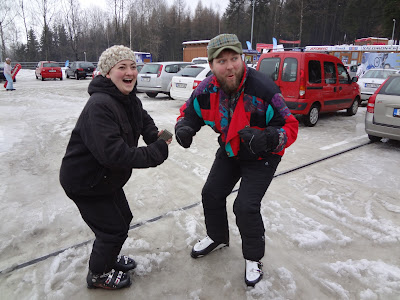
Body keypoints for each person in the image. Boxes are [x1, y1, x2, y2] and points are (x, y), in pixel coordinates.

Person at [175, 34, 298, 287]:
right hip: (231, 149)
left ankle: (254, 257)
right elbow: (188, 114)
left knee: (244, 206)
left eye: (234, 58)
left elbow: (290, 127)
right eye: (222, 61)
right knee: (211, 193)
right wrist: (184, 128)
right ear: (211, 65)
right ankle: (217, 236)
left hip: (263, 154)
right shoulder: (205, 89)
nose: (230, 66)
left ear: (242, 59)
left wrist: (268, 137)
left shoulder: (263, 88)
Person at [59, 45, 172, 290]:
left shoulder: (127, 98)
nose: (129, 72)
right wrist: (155, 152)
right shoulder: (100, 105)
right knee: (111, 230)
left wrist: (156, 135)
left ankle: (108, 259)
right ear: (107, 73)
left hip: (105, 179)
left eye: (133, 66)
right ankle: (98, 274)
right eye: (122, 67)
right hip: (85, 181)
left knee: (123, 220)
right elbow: (113, 154)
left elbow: (144, 122)